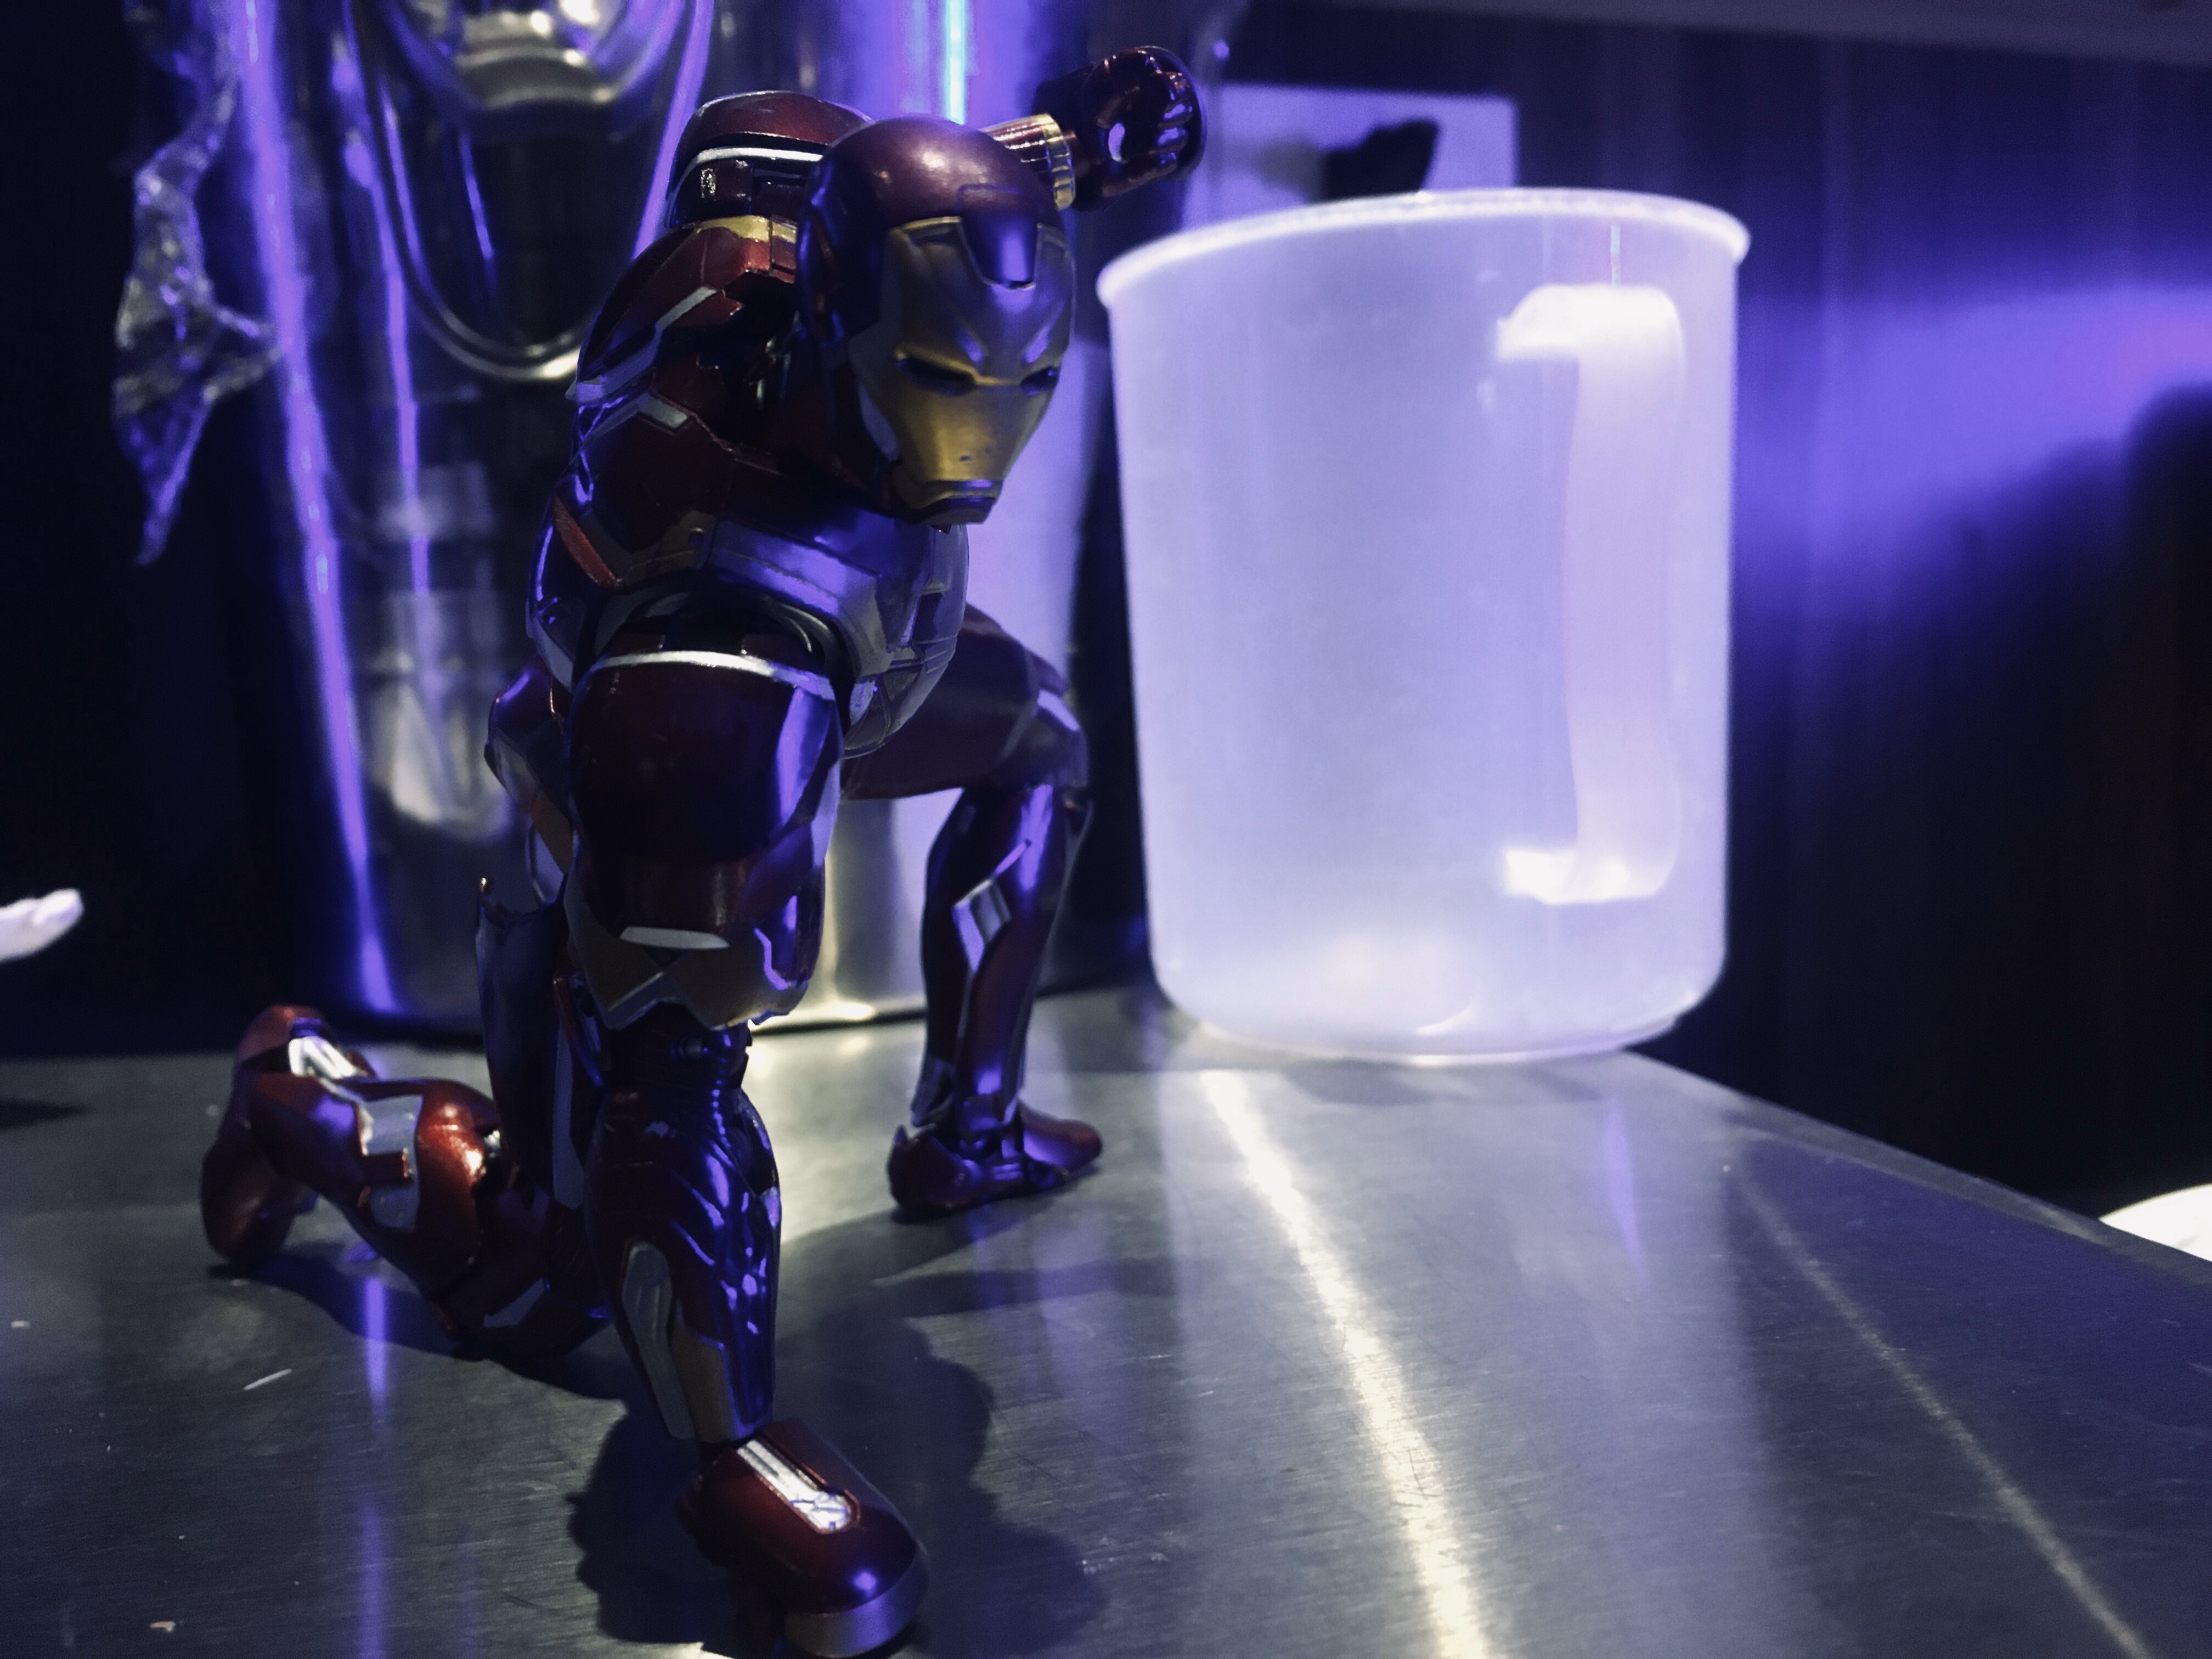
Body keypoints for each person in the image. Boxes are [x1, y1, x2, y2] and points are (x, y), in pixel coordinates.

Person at [199, 49, 1202, 1657]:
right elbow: (673, 1091)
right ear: (831, 322)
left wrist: (1070, 145)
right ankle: (291, 1089)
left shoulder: (818, 234)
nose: (978, 440)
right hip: (645, 769)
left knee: (1039, 740)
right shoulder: (717, 599)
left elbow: (897, 185)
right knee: (548, 1259)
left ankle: (966, 1126)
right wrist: (744, 1461)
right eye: (938, 377)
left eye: (1015, 383)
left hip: (864, 661)